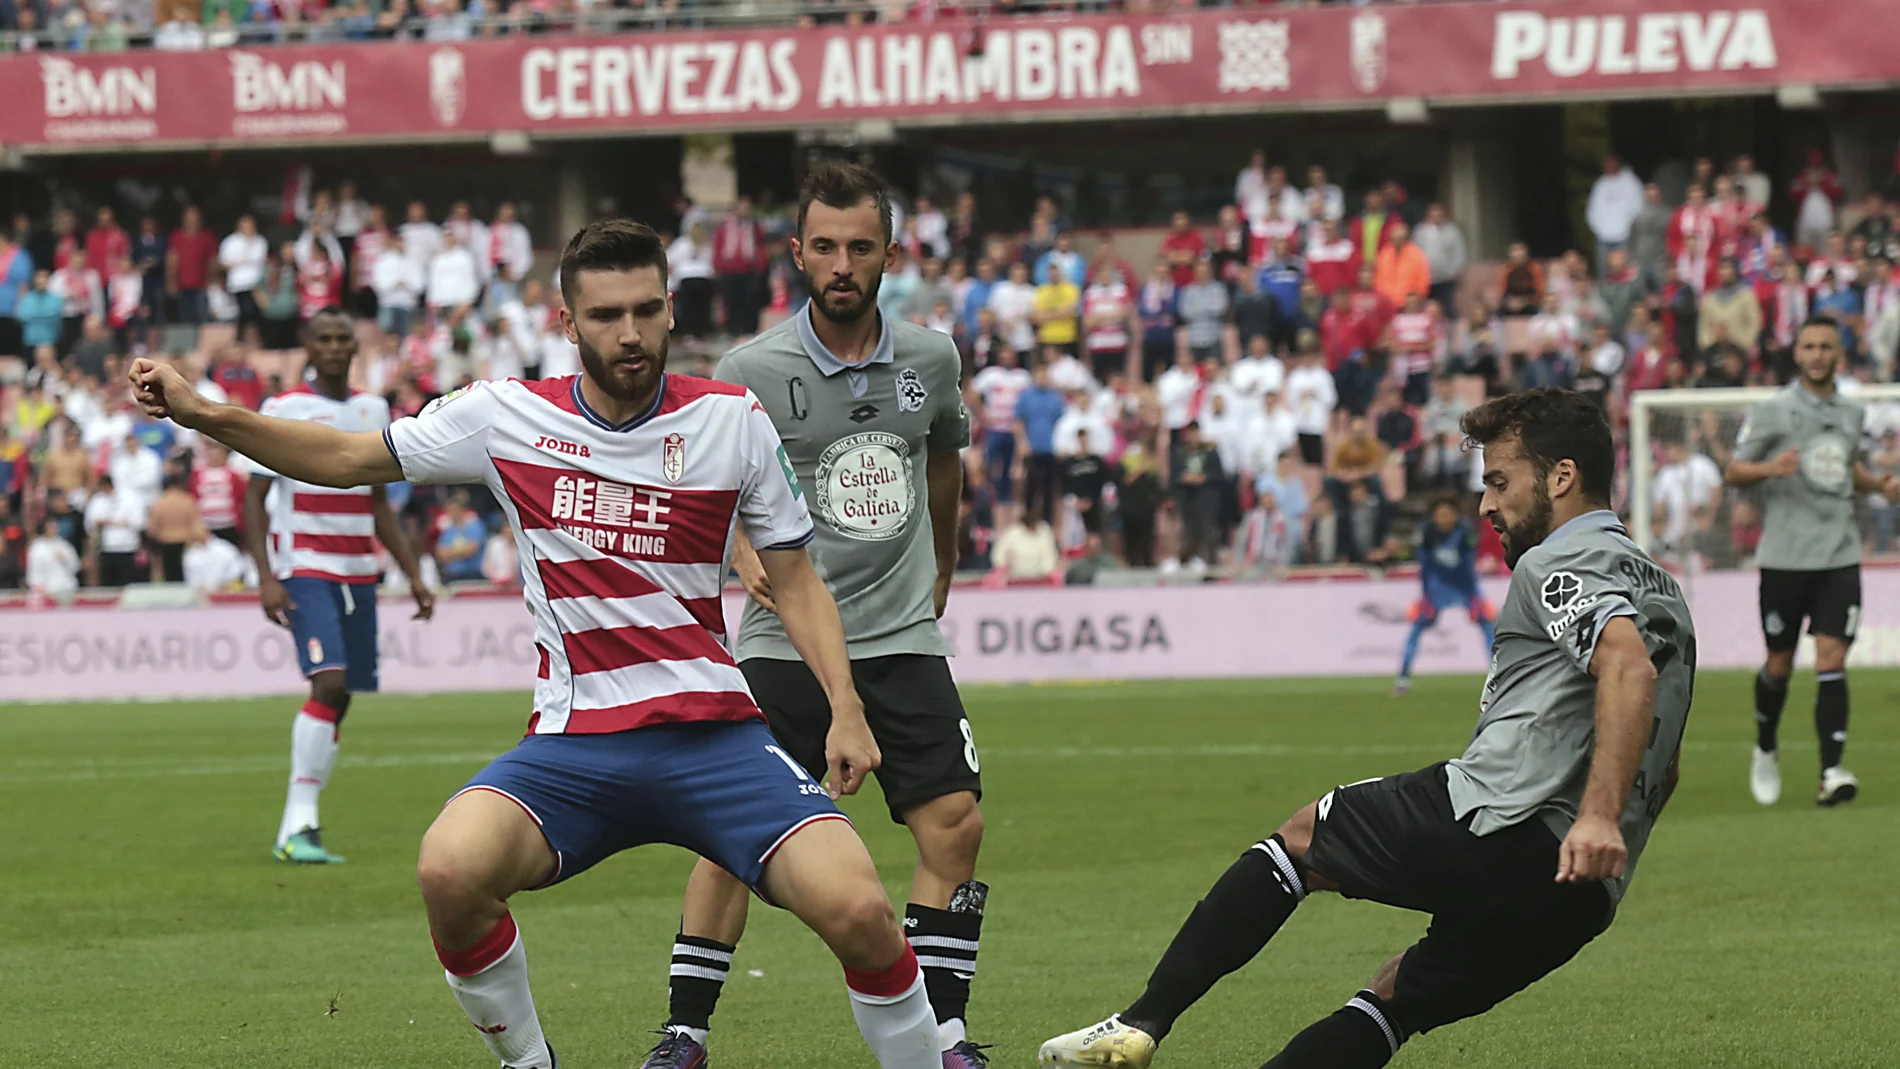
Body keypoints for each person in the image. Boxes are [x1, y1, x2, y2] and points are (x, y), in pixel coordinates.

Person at [131, 218, 948, 1069]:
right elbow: (342, 455)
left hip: (718, 738)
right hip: (575, 745)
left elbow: (797, 578)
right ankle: (529, 1062)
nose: (629, 334)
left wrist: (845, 705)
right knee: (449, 867)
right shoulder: (506, 416)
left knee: (861, 909)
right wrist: (202, 411)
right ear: (566, 323)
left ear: (671, 308)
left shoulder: (730, 418)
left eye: (645, 310)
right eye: (605, 315)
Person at [1040, 389, 1694, 1069]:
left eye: (1501, 482)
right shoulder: (1668, 595)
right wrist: (1602, 828)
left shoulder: (1557, 559)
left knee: (1302, 839)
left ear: (1561, 477)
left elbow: (1627, 669)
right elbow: (1666, 761)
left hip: (1503, 821)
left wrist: (1595, 817)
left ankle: (1138, 1023)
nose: (1486, 505)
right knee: (1394, 998)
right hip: (1582, 897)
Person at [653, 163, 990, 1069]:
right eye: (828, 247)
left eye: (861, 247)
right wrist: (738, 548)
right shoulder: (750, 369)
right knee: (732, 835)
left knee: (954, 822)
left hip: (900, 634)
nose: (844, 265)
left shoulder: (932, 359)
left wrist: (944, 560)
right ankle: (685, 1033)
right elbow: (701, 482)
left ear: (889, 254)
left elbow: (945, 459)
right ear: (798, 253)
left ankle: (943, 1032)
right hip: (785, 641)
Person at [240, 308, 435, 864]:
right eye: (322, 338)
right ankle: (296, 823)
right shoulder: (283, 409)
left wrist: (413, 573)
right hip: (306, 567)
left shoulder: (373, 410)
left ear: (354, 347)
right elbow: (254, 498)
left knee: (342, 694)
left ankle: (302, 826)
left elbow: (379, 504)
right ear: (307, 346)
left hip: (358, 572)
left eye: (341, 338)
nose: (332, 346)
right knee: (328, 683)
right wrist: (266, 576)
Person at [1726, 317, 1897, 808]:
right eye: (1809, 346)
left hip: (1839, 553)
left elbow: (1844, 466)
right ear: (1797, 354)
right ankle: (1765, 745)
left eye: (1826, 347)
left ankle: (1831, 773)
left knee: (1832, 657)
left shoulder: (1852, 413)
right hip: (1785, 557)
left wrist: (1878, 485)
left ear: (1839, 355)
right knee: (1779, 663)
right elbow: (1734, 470)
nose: (1818, 354)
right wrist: (1770, 468)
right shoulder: (1774, 411)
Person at [1394, 496, 1494, 695]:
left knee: (1488, 627)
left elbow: (1468, 565)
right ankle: (1403, 679)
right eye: (1440, 515)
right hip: (1437, 586)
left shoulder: (1465, 530)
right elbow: (1425, 566)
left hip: (1464, 586)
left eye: (1448, 514)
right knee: (1416, 629)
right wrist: (1426, 596)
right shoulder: (1426, 531)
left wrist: (1473, 595)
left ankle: (1497, 678)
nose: (1444, 519)